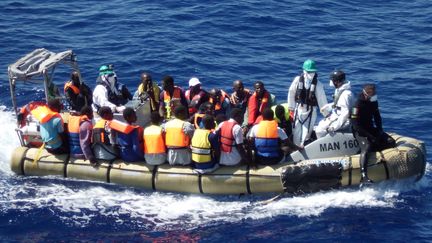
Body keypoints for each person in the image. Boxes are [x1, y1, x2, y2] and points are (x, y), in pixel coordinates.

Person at [351, 84, 395, 185]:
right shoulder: (357, 104)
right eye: (372, 96)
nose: (374, 98)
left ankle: (381, 164)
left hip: (370, 128)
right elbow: (355, 124)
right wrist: (370, 137)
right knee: (367, 146)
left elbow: (377, 117)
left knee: (390, 142)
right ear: (366, 95)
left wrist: (379, 130)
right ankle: (363, 175)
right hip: (359, 130)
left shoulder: (373, 101)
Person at [287, 59, 328, 146]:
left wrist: (327, 115)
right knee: (296, 129)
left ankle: (304, 146)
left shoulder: (318, 85)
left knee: (307, 131)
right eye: (308, 72)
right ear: (304, 71)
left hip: (311, 111)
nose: (310, 74)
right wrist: (291, 108)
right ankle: (295, 147)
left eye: (312, 72)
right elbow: (291, 92)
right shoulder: (297, 80)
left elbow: (322, 100)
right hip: (299, 109)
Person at [315, 70, 354, 138]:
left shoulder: (345, 95)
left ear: (337, 82)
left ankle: (324, 146)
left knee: (319, 130)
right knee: (320, 125)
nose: (331, 82)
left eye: (333, 80)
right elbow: (338, 104)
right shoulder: (339, 90)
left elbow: (345, 114)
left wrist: (334, 127)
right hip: (337, 115)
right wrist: (327, 106)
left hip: (344, 120)